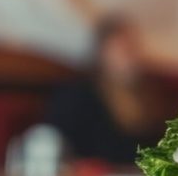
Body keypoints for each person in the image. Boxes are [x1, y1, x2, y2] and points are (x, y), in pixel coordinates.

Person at [44, 18, 167, 165]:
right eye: (124, 49)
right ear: (103, 53)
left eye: (134, 48)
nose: (133, 57)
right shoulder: (78, 96)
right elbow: (56, 146)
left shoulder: (149, 96)